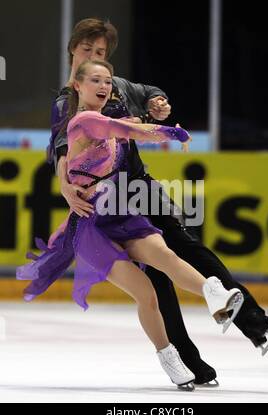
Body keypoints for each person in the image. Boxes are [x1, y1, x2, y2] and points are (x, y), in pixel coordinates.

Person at [49, 18, 268, 382]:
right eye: (87, 50)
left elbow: (149, 92)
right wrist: (64, 184)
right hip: (107, 201)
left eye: (101, 53)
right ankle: (192, 364)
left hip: (139, 186)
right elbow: (61, 149)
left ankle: (252, 320)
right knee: (156, 281)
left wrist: (157, 101)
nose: (94, 57)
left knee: (184, 250)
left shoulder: (115, 84)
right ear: (72, 52)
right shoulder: (66, 103)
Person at [17, 60, 245, 391]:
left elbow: (123, 130)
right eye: (95, 79)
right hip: (91, 227)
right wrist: (171, 131)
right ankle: (168, 357)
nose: (104, 85)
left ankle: (216, 296)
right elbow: (130, 131)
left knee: (167, 257)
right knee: (147, 294)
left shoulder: (108, 121)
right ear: (77, 87)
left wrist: (147, 115)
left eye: (108, 80)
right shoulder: (84, 120)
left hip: (121, 213)